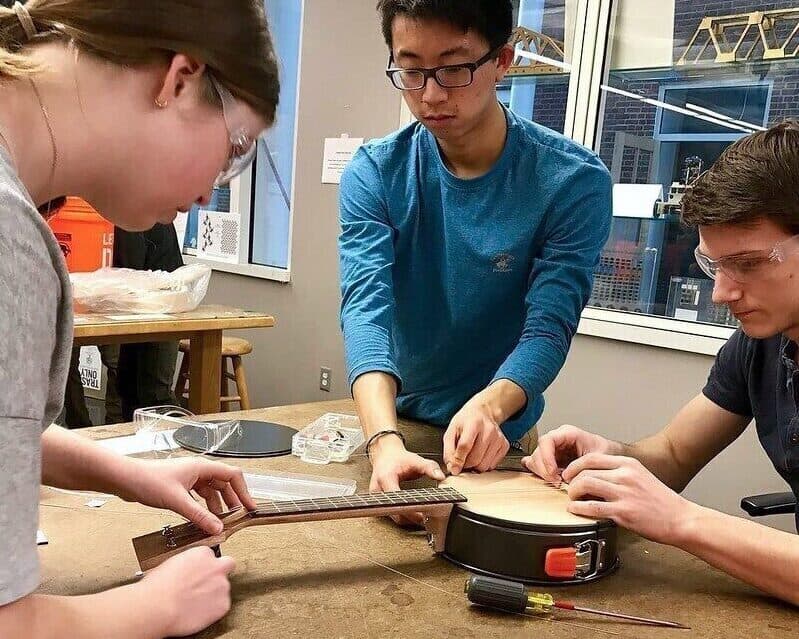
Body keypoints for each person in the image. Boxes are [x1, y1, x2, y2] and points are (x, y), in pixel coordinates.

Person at [0, 1, 279, 636]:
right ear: (178, 79)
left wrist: (131, 474)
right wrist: (154, 607)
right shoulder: (7, 238)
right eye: (236, 147)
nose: (213, 189)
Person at [338, 0, 612, 515]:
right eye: (413, 71)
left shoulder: (572, 181)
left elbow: (548, 327)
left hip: (498, 434)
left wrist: (491, 406)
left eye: (455, 68)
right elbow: (365, 309)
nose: (431, 95)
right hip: (390, 422)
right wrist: (383, 441)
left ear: (503, 60)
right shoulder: (376, 172)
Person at [524, 120, 799, 606]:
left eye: (750, 263)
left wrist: (682, 520)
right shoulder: (762, 342)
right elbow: (673, 453)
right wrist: (611, 457)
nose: (722, 293)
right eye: (714, 265)